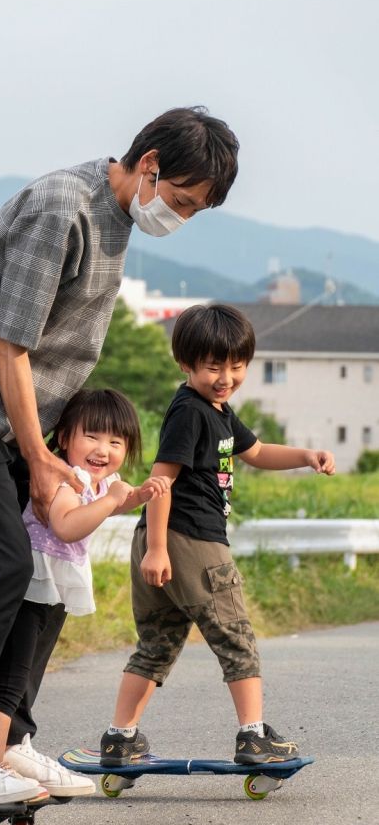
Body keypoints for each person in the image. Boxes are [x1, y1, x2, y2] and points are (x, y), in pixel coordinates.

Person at [0, 107, 240, 806]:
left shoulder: (114, 220)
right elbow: (10, 344)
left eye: (194, 212)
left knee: (49, 572)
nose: (178, 217)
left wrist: (61, 447)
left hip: (13, 415)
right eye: (178, 201)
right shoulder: (64, 208)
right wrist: (37, 454)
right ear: (147, 164)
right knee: (2, 566)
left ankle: (5, 743)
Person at [99, 303, 336, 767]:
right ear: (185, 364)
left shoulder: (218, 410)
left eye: (237, 366)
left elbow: (258, 451)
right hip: (191, 541)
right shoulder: (190, 412)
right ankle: (253, 736)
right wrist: (159, 547)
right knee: (236, 637)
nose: (226, 376)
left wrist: (306, 454)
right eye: (213, 367)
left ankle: (120, 738)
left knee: (157, 644)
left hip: (165, 540)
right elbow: (161, 479)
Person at [0, 388, 172, 798]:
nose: (103, 449)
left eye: (116, 442)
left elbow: (108, 504)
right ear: (64, 437)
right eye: (92, 437)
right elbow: (66, 526)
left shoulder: (96, 482)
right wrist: (114, 499)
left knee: (28, 673)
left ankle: (8, 753)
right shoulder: (64, 478)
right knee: (11, 677)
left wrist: (134, 497)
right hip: (34, 579)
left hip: (55, 582)